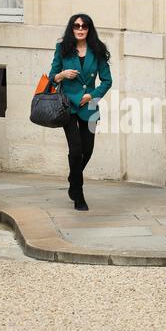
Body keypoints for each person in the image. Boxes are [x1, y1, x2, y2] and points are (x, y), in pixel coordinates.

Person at [48, 13, 112, 211]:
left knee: (88, 151)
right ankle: (78, 194)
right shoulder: (62, 48)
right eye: (76, 26)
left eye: (84, 26)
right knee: (76, 150)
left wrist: (92, 96)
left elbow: (107, 80)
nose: (80, 29)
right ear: (72, 28)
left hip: (90, 105)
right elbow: (51, 77)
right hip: (68, 104)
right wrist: (62, 75)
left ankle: (72, 178)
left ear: (89, 29)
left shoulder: (98, 50)